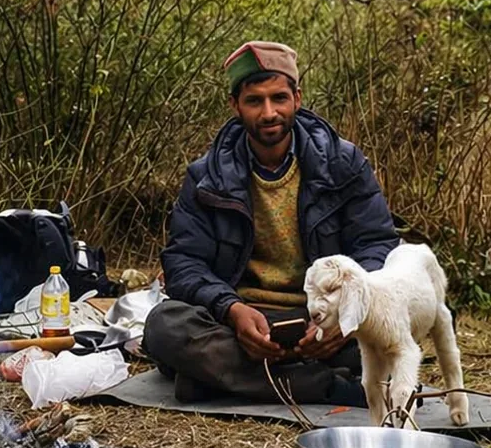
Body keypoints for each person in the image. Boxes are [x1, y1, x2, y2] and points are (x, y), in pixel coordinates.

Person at [143, 40, 400, 403]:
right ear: (235, 105)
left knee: (410, 316)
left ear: (297, 98)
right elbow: (184, 263)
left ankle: (212, 381)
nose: (268, 113)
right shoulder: (207, 176)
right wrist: (231, 310)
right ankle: (324, 386)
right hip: (244, 323)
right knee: (164, 326)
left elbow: (378, 247)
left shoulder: (343, 163)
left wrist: (345, 315)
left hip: (324, 317)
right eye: (254, 101)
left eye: (279, 98)